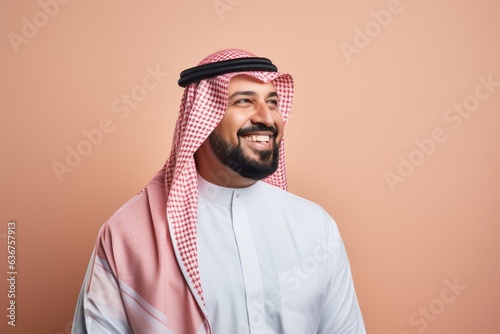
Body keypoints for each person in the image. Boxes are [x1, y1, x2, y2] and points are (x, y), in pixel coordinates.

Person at [71, 49, 366, 334]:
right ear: (203, 117)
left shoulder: (316, 226)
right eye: (244, 102)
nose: (267, 117)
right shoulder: (127, 234)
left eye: (272, 102)